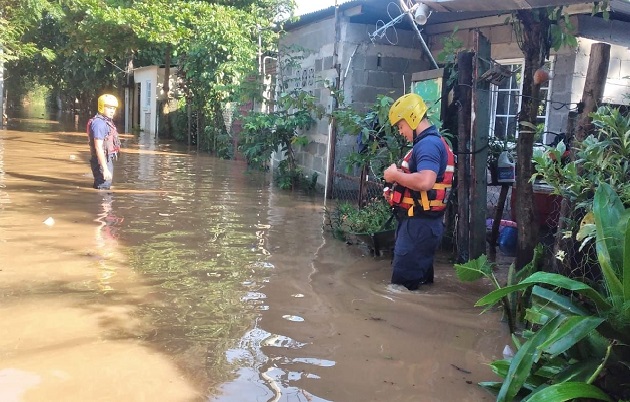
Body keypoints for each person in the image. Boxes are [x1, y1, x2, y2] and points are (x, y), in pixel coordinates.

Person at [383, 93, 455, 290]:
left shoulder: (428, 145)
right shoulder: (431, 142)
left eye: (401, 126)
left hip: (418, 226)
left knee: (401, 290)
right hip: (422, 225)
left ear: (411, 119)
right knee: (419, 286)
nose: (400, 131)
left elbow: (425, 181)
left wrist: (394, 176)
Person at [88, 94, 121, 190]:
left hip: (105, 159)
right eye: (109, 108)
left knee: (104, 187)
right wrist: (105, 169)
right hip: (101, 162)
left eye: (114, 108)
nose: (112, 111)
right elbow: (98, 147)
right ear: (102, 107)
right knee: (103, 191)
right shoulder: (99, 124)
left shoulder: (106, 121)